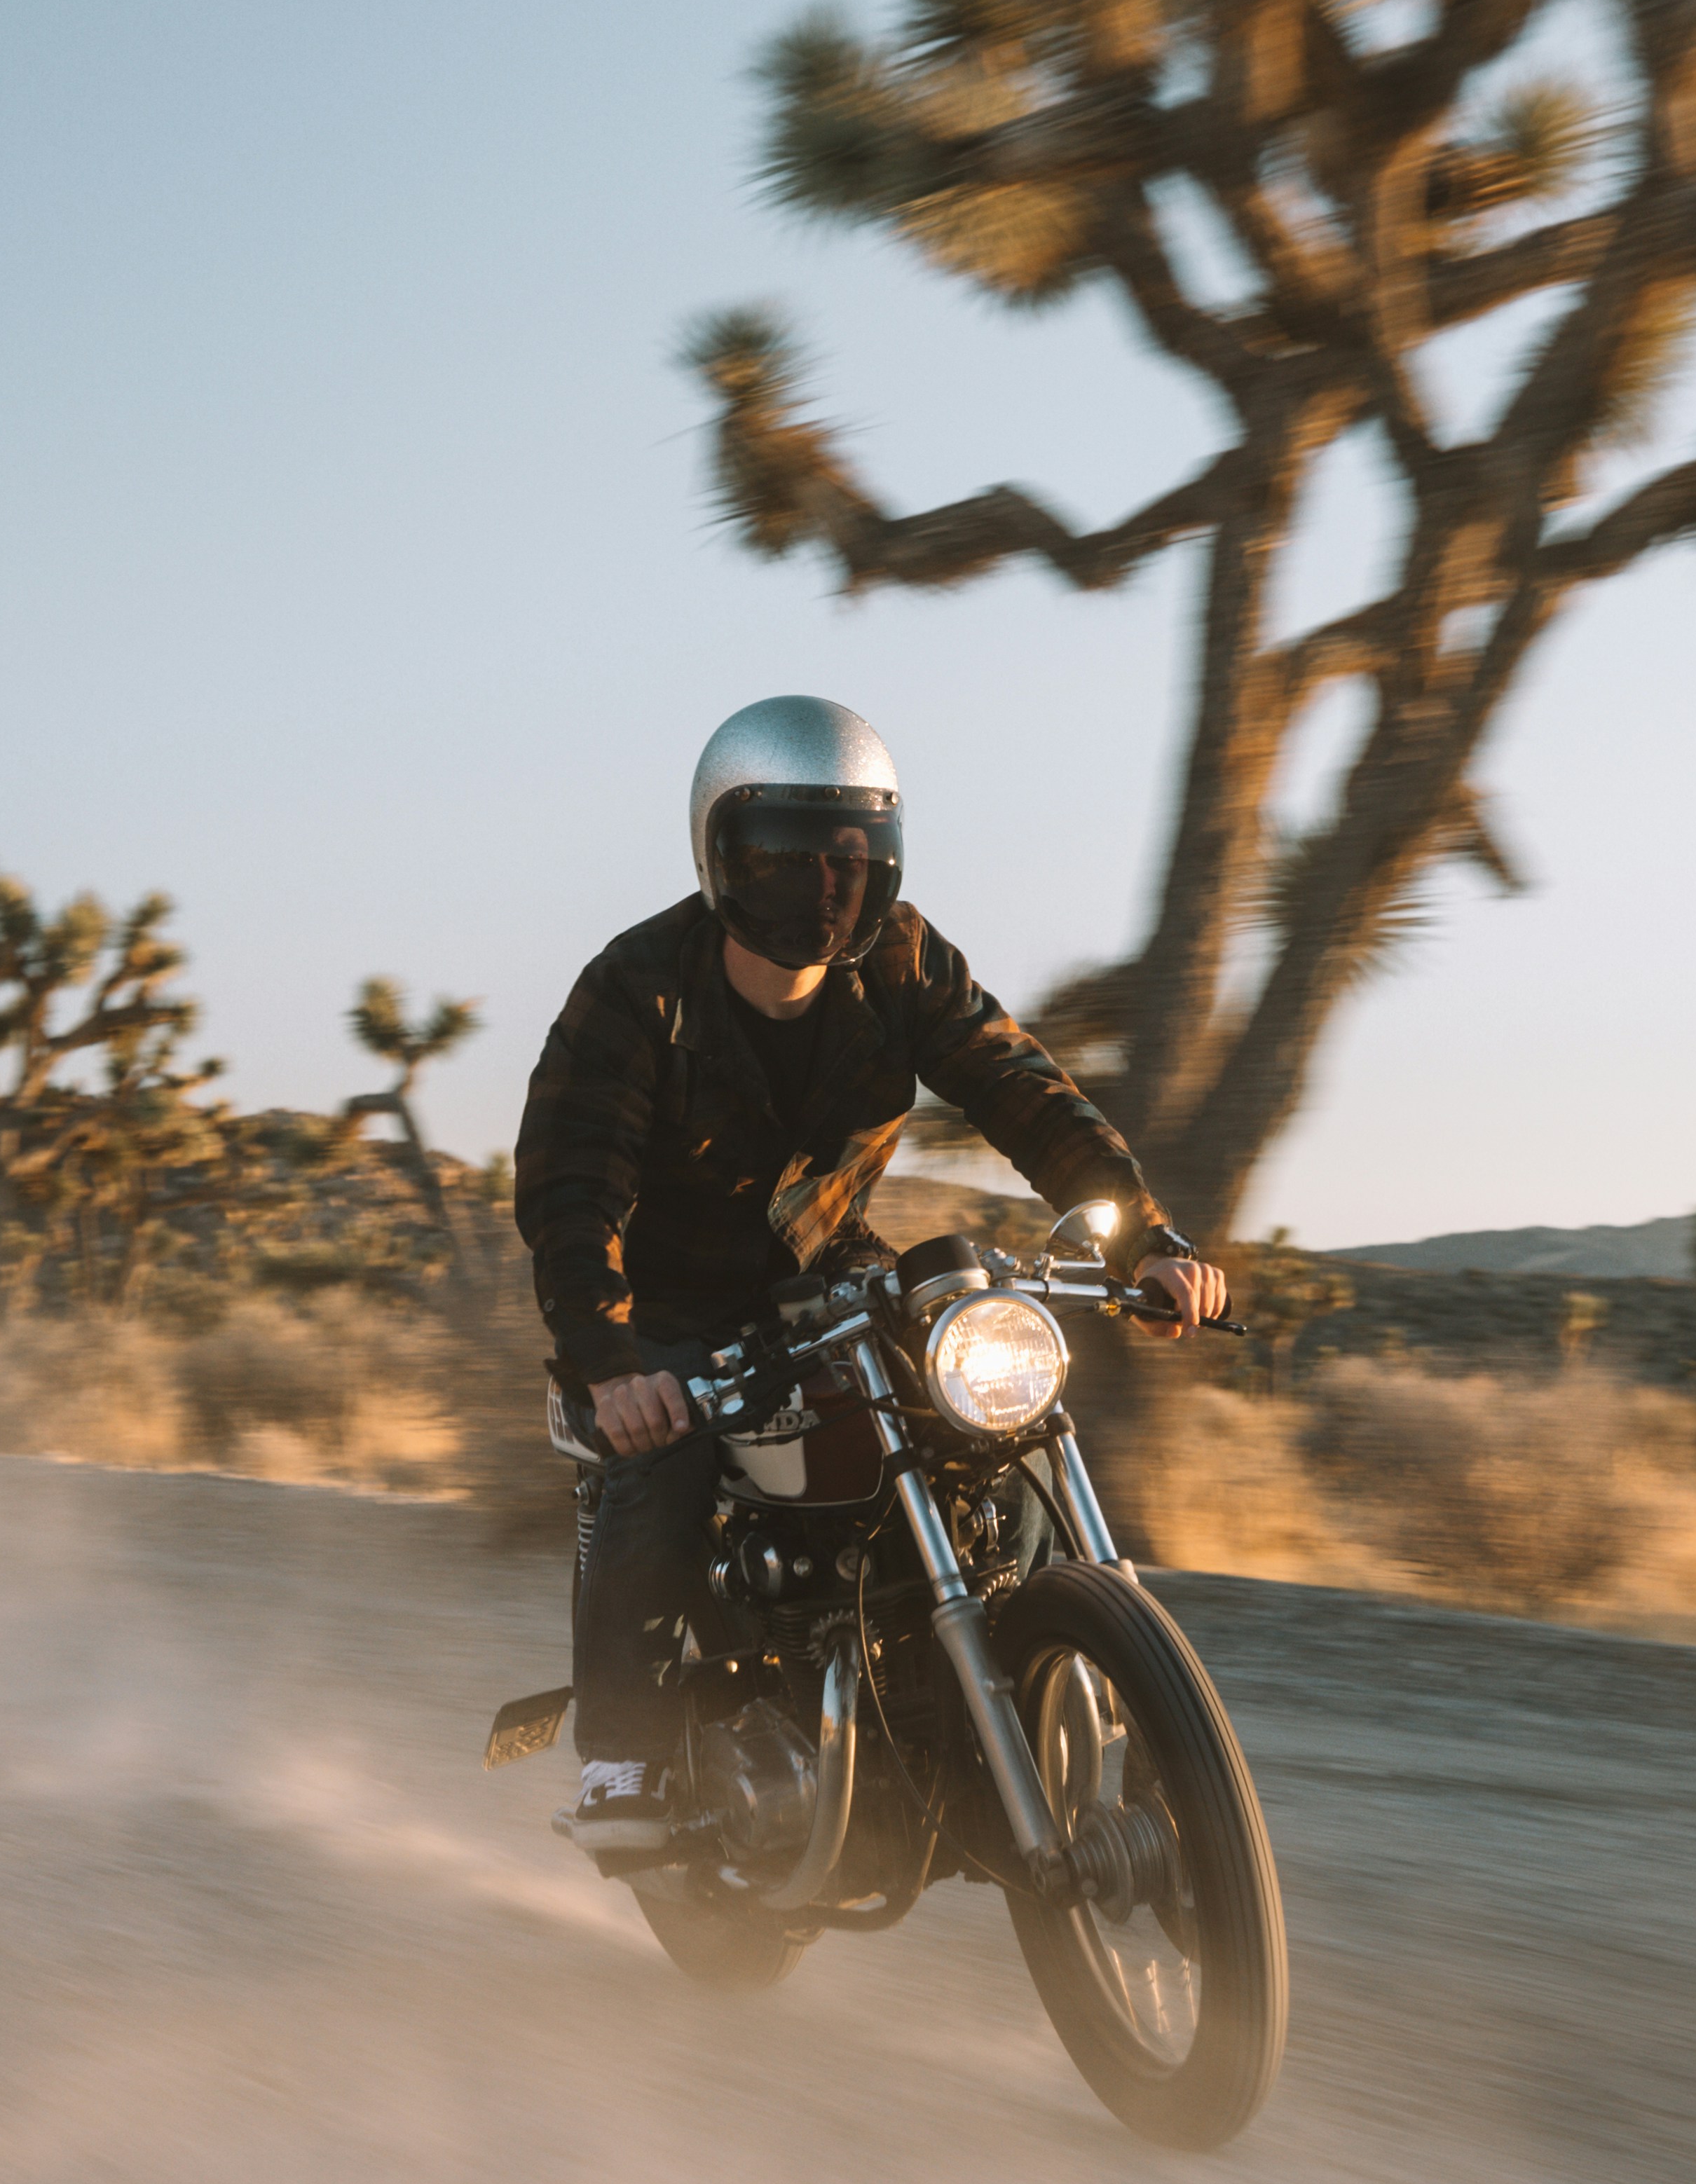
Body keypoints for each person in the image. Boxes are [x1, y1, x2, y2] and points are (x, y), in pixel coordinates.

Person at [513, 695, 1226, 1858]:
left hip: (825, 1271)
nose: (826, 890)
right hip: (665, 1300)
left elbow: (1018, 1088)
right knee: (667, 1443)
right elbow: (569, 1191)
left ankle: (1036, 1672)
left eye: (852, 859)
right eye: (789, 859)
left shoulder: (901, 961)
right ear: (721, 857)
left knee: (980, 1404)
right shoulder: (636, 991)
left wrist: (1146, 1238)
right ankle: (624, 1752)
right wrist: (613, 1359)